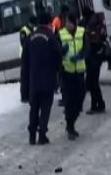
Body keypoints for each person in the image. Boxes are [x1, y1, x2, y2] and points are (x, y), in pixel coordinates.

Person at [22, 11, 62, 145]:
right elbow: (58, 58)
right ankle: (42, 135)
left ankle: (32, 135)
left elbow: (25, 63)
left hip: (34, 80)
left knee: (34, 108)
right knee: (45, 108)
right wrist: (57, 77)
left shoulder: (29, 37)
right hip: (47, 79)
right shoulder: (51, 37)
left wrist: (25, 87)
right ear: (49, 23)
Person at [58, 13, 87, 140]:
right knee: (69, 101)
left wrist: (81, 55)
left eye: (69, 22)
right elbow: (55, 51)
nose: (67, 25)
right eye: (66, 22)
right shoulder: (60, 34)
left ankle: (72, 121)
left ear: (75, 23)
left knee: (80, 98)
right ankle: (70, 126)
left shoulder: (82, 32)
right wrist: (61, 51)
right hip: (67, 72)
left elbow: (87, 48)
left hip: (79, 71)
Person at [84, 11, 108, 114]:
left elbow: (92, 44)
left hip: (92, 59)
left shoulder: (92, 27)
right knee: (93, 83)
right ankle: (99, 104)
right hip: (96, 59)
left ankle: (97, 105)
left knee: (92, 83)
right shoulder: (99, 26)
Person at [18, 16, 37, 103]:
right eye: (33, 24)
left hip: (30, 56)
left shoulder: (33, 30)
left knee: (30, 76)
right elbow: (23, 43)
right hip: (25, 56)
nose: (33, 26)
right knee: (25, 77)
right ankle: (24, 96)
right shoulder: (24, 30)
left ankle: (30, 95)